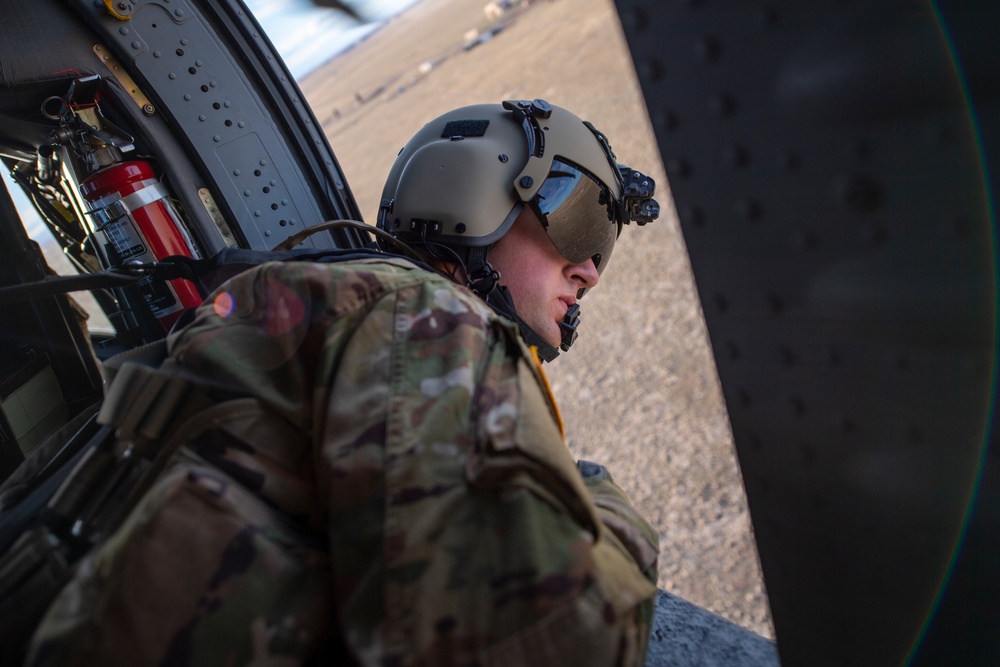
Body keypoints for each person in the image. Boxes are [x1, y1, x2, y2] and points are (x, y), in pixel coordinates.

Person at [25, 99, 661, 666]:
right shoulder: (420, 318)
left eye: (601, 247)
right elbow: (555, 641)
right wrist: (605, 507)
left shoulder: (315, 304)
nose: (590, 272)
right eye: (578, 222)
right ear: (475, 194)